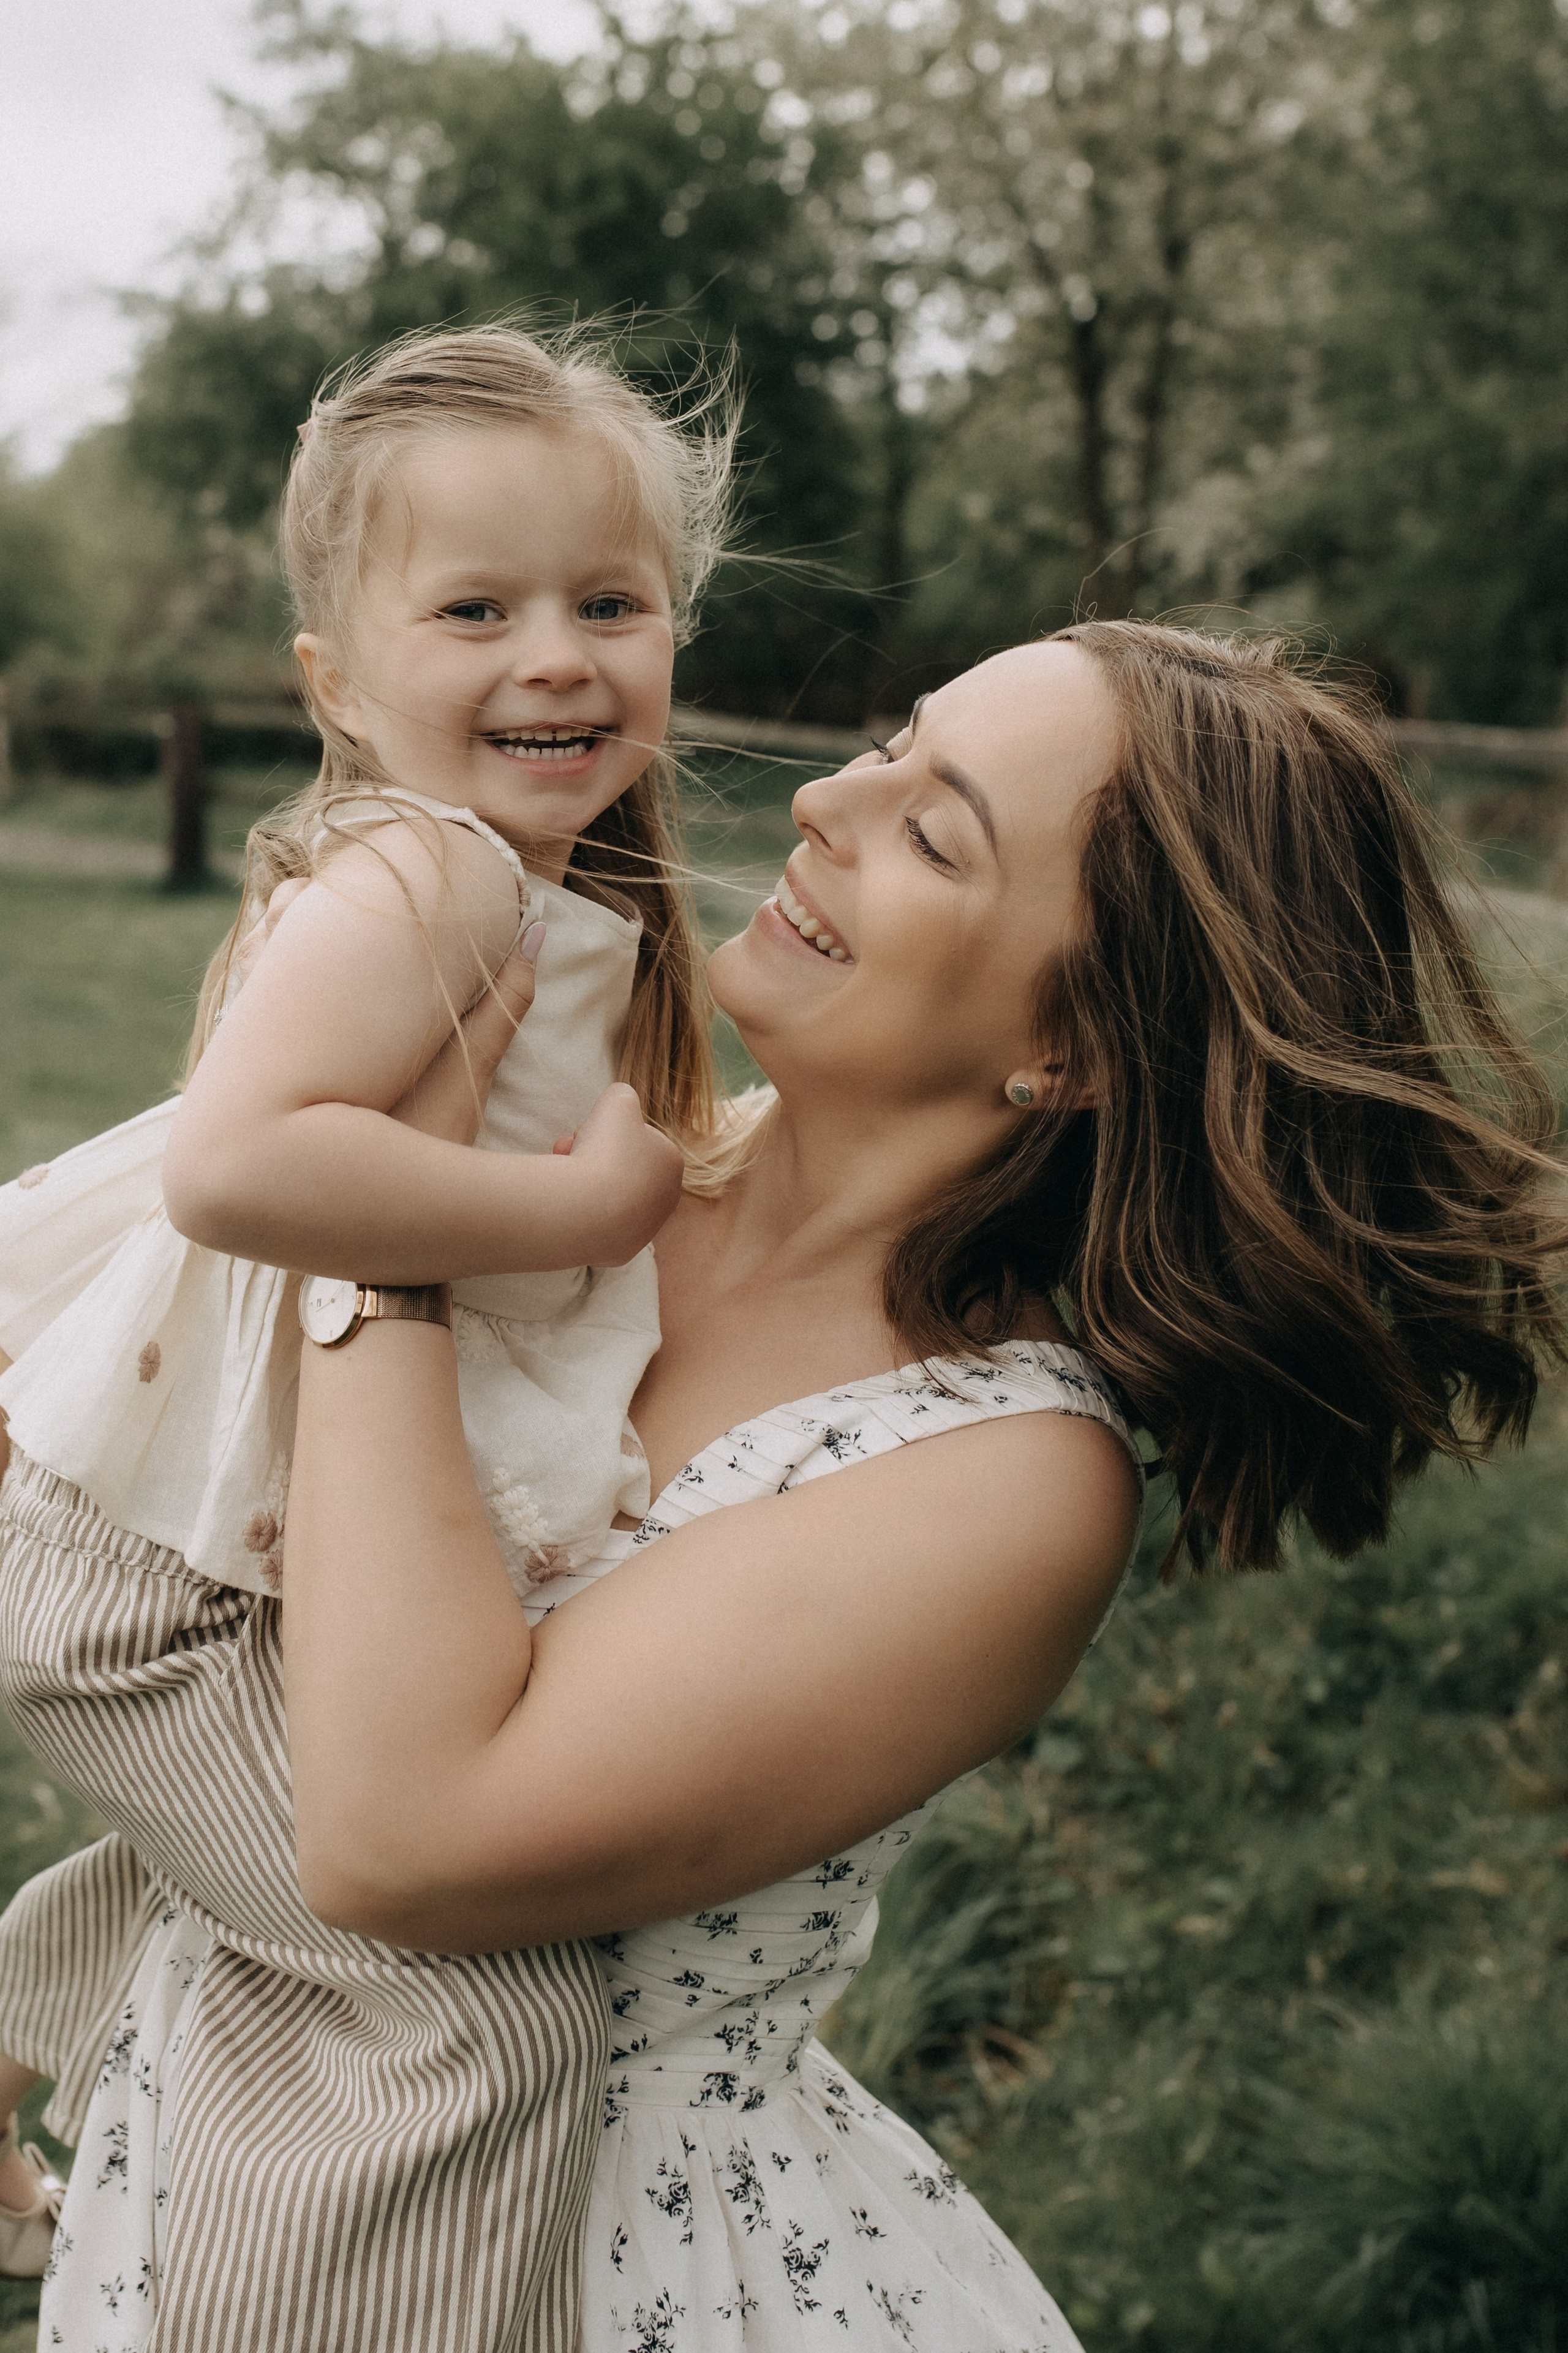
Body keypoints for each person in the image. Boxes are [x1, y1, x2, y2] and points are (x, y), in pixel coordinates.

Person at [11, 621, 1561, 2348]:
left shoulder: (1003, 1478)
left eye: (935, 829)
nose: (827, 797)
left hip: (574, 2254)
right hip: (240, 2143)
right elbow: (219, 1623)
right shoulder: (606, 1170)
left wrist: (389, 1238)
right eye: (888, 743)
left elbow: (400, 1832)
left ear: (1084, 1041)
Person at [0, 319, 736, 2350]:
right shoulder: (438, 875)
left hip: (187, 1531)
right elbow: (238, 1164)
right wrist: (574, 1207)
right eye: (476, 608)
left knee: (310, 1827)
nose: (559, 656)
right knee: (466, 1997)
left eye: (613, 601)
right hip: (141, 1569)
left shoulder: (514, 878)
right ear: (339, 680)